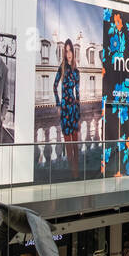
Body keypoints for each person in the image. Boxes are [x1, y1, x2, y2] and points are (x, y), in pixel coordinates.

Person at [53, 38, 81, 178]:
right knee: (68, 144)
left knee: (75, 144)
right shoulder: (61, 68)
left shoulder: (77, 71)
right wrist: (58, 104)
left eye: (70, 50)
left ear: (73, 52)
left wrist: (79, 114)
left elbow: (78, 93)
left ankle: (76, 174)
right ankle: (73, 175)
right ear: (64, 52)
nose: (68, 53)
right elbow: (54, 86)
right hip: (64, 110)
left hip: (74, 110)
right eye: (66, 51)